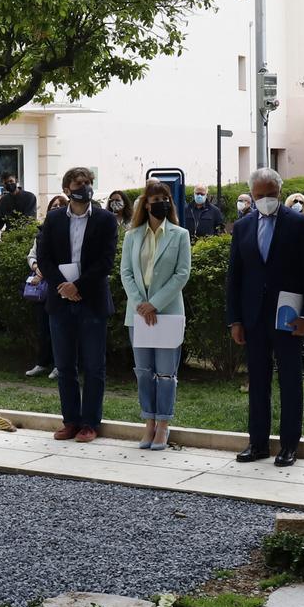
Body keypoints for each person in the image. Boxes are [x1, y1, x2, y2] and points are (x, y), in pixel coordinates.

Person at [226, 168, 304, 467]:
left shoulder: (298, 223)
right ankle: (258, 443)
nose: (265, 200)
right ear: (251, 195)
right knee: (258, 380)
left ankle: (289, 445)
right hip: (253, 318)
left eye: (271, 194)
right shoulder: (242, 227)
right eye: (259, 195)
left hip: (288, 318)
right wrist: (235, 320)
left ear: (280, 193)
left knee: (290, 380)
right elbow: (235, 277)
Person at [36, 167, 118, 442]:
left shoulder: (106, 219)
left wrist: (78, 286)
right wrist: (63, 286)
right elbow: (44, 257)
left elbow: (106, 262)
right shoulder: (55, 218)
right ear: (67, 189)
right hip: (60, 302)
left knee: (94, 366)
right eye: (79, 182)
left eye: (88, 182)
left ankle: (90, 423)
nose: (85, 186)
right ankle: (70, 420)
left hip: (91, 300)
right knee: (65, 365)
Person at [120, 181, 192, 451]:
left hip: (167, 313)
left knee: (165, 373)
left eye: (165, 197)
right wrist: (141, 304)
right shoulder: (132, 236)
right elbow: (126, 272)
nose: (161, 201)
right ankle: (148, 422)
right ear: (145, 203)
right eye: (155, 198)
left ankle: (163, 424)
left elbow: (182, 274)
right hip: (137, 315)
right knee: (143, 371)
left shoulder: (180, 234)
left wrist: (155, 304)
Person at [20, 195, 68, 378]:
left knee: (59, 329)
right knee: (43, 328)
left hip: (59, 285)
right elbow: (32, 255)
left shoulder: (68, 231)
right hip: (42, 289)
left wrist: (44, 272)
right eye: (53, 206)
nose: (56, 208)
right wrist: (36, 267)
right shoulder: (41, 232)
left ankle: (59, 364)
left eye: (60, 205)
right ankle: (42, 362)